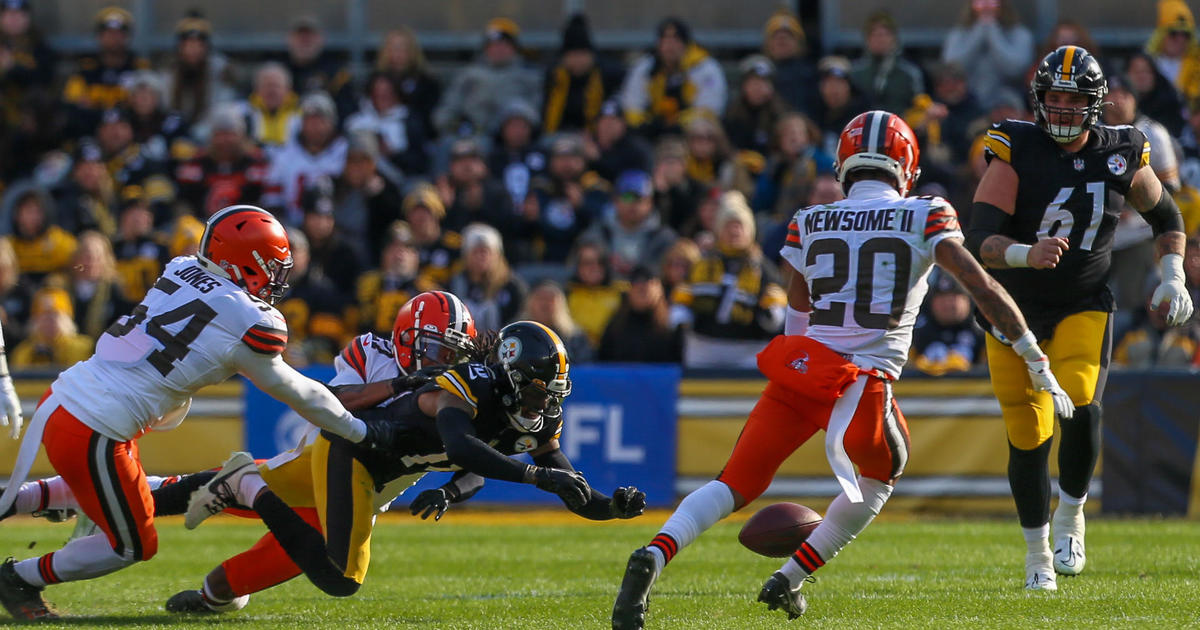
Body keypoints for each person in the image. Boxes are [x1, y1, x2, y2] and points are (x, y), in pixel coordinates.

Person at [612, 110, 1074, 629]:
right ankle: (790, 576)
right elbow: (982, 288)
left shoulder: (809, 219)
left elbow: (798, 308)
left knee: (733, 481)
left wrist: (801, 367)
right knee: (879, 478)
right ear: (906, 166)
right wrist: (1036, 359)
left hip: (806, 371)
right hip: (862, 383)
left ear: (844, 164)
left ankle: (656, 551)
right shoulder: (926, 213)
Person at [0, 205, 395, 621]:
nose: (278, 280)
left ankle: (14, 502)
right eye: (272, 267)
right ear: (246, 262)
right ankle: (20, 577)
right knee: (132, 545)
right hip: (94, 426)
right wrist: (358, 432)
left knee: (130, 491)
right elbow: (298, 392)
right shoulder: (247, 316)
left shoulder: (181, 268)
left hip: (69, 397)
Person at [1, 291, 477, 614]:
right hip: (310, 468)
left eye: (450, 353)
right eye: (432, 348)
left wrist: (454, 490)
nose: (439, 362)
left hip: (356, 504)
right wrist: (399, 385)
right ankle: (31, 498)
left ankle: (213, 597)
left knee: (225, 588)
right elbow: (337, 408)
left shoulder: (460, 392)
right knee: (167, 498)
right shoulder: (371, 352)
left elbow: (478, 454)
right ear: (405, 337)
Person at [184, 321, 645, 602]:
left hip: (379, 471)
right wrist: (535, 475)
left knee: (250, 496)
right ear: (508, 375)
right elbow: (463, 448)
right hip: (356, 451)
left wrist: (610, 507)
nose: (540, 404)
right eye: (534, 389)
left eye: (549, 394)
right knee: (340, 578)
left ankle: (200, 491)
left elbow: (566, 482)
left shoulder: (532, 416)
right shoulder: (470, 384)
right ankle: (244, 487)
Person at [967, 46, 1193, 591]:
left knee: (1082, 406)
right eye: (1054, 97)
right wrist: (1026, 252)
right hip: (1011, 308)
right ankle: (1036, 554)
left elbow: (1166, 214)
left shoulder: (1120, 151)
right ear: (1038, 100)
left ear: (1095, 103)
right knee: (1028, 434)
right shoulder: (1014, 145)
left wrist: (1173, 273)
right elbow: (981, 240)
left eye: (1074, 98)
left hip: (1081, 301)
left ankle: (1071, 514)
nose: (1063, 108)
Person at [619, 17, 726, 138]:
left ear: (686, 44)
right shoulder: (645, 68)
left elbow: (709, 111)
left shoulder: (705, 68)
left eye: (676, 39)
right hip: (652, 131)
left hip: (691, 133)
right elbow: (632, 107)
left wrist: (675, 123)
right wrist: (648, 124)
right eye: (665, 39)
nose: (670, 45)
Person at [434, 18, 541, 137]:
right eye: (493, 46)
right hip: (474, 136)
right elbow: (447, 108)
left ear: (514, 48)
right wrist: (454, 124)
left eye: (503, 45)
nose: (498, 50)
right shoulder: (468, 75)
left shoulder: (529, 75)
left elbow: (537, 110)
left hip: (515, 137)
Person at [941, 0, 1033, 109]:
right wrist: (979, 32)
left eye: (991, 1)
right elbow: (952, 67)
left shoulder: (1020, 34)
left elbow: (1015, 69)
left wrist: (993, 31)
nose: (986, 6)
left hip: (1007, 105)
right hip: (965, 105)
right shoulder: (958, 34)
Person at [542, 13, 623, 134]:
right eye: (572, 55)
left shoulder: (609, 76)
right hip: (558, 137)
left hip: (596, 137)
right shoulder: (554, 77)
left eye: (582, 55)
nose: (577, 61)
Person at [848, 10, 923, 116]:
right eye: (875, 35)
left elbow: (919, 106)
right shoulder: (855, 73)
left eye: (884, 34)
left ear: (894, 38)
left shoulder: (909, 74)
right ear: (867, 39)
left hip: (899, 127)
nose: (880, 39)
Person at [375, 27, 440, 139]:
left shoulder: (427, 82)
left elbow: (429, 118)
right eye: (394, 48)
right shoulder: (376, 80)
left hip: (414, 137)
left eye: (403, 49)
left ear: (413, 51)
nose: (398, 53)